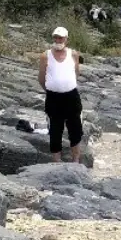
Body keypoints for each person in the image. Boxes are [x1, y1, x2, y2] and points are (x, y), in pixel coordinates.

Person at [37, 26, 83, 164]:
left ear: (66, 39)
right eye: (56, 37)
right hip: (53, 98)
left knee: (75, 128)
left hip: (71, 96)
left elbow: (76, 72)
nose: (58, 40)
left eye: (61, 38)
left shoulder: (73, 54)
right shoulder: (46, 55)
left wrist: (66, 84)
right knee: (55, 129)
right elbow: (41, 77)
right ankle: (56, 160)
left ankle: (76, 160)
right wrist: (50, 89)